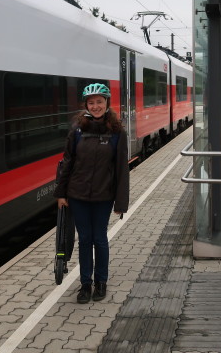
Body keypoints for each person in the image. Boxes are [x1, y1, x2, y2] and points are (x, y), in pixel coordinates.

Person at [54, 83, 129, 303]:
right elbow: (67, 162)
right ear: (86, 105)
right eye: (91, 102)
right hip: (77, 195)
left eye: (99, 101)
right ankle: (85, 284)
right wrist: (61, 194)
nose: (95, 106)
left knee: (100, 239)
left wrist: (121, 203)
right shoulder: (77, 129)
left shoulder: (116, 131)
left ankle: (101, 282)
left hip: (103, 197)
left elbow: (121, 170)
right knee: (85, 239)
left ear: (107, 103)